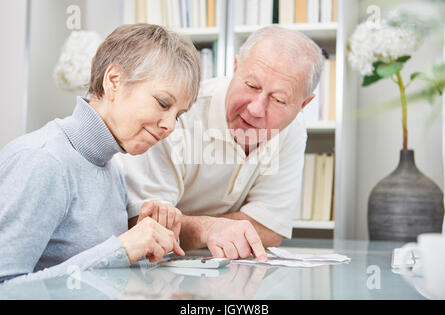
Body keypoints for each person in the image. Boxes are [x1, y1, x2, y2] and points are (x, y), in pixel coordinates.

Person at [0, 23, 201, 284]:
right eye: (163, 103)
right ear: (114, 82)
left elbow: (95, 275)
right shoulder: (43, 161)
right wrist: (122, 249)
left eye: (178, 115)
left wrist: (146, 245)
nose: (170, 126)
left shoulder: (111, 166)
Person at [115, 25, 324, 262]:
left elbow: (270, 229)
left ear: (303, 105)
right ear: (235, 68)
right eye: (251, 86)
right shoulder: (177, 115)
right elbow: (145, 226)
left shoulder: (292, 129)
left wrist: (189, 224)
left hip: (223, 271)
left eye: (278, 100)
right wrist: (207, 229)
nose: (256, 109)